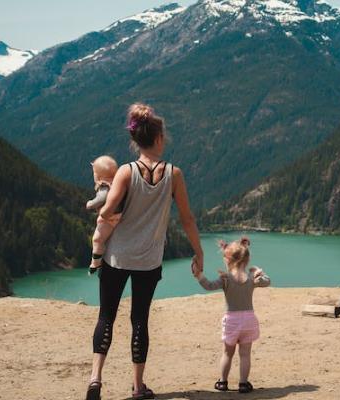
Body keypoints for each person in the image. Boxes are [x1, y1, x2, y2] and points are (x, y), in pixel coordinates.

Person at [85, 103, 204, 400]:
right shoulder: (174, 174)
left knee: (106, 316)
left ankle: (95, 380)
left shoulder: (125, 172)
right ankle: (138, 387)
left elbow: (108, 210)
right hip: (148, 261)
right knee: (140, 319)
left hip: (116, 257)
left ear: (136, 140)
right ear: (160, 138)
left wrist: (103, 223)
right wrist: (199, 251)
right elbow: (187, 218)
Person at [192, 236, 270, 394]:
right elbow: (267, 281)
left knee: (227, 353)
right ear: (246, 260)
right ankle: (243, 383)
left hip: (232, 321)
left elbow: (209, 285)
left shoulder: (226, 279)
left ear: (228, 260)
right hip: (249, 320)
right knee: (245, 355)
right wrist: (259, 272)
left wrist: (198, 275)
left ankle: (222, 382)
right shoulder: (251, 278)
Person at [85, 155, 122, 275]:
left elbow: (101, 199)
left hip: (109, 219)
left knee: (97, 239)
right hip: (121, 216)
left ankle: (95, 262)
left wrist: (90, 204)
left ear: (98, 175)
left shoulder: (104, 186)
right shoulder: (118, 182)